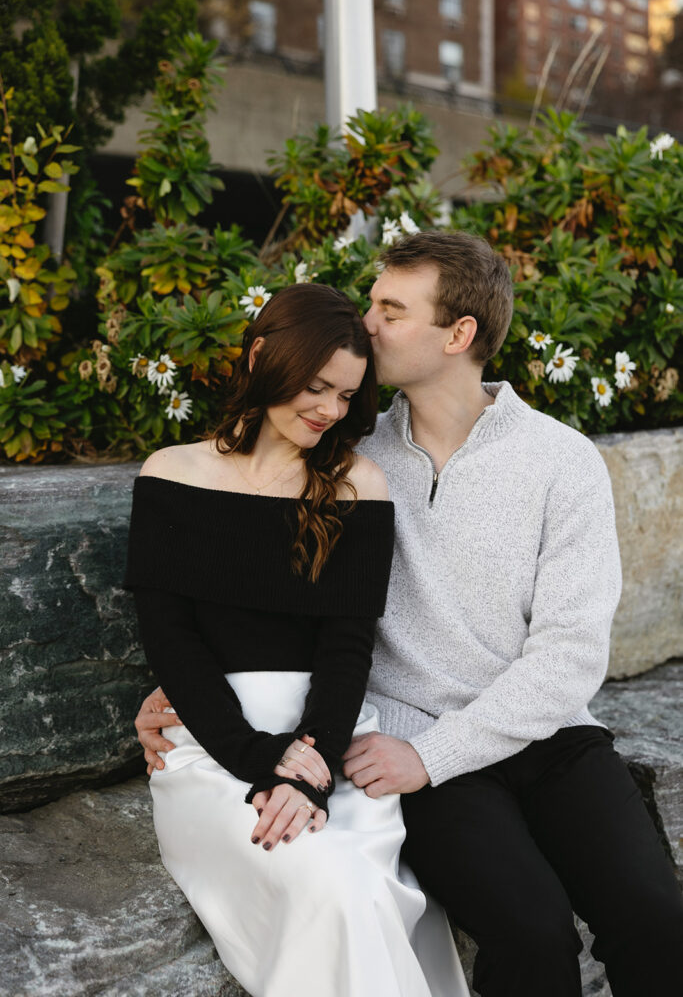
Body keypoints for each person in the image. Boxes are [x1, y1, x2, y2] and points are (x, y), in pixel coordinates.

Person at [136, 233, 683, 997]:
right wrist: (186, 691)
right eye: (370, 303)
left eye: (390, 309)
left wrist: (436, 753)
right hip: (405, 740)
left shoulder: (561, 461)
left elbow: (568, 656)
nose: (367, 323)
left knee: (658, 922)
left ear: (457, 335)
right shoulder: (345, 456)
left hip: (543, 739)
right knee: (530, 936)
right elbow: (251, 575)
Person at [123, 282, 466, 997]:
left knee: (354, 886)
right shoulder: (170, 474)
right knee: (330, 884)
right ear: (259, 357)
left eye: (345, 396)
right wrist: (257, 762)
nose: (330, 411)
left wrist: (308, 762)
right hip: (212, 752)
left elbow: (348, 648)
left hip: (326, 742)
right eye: (316, 386)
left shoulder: (357, 486)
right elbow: (172, 640)